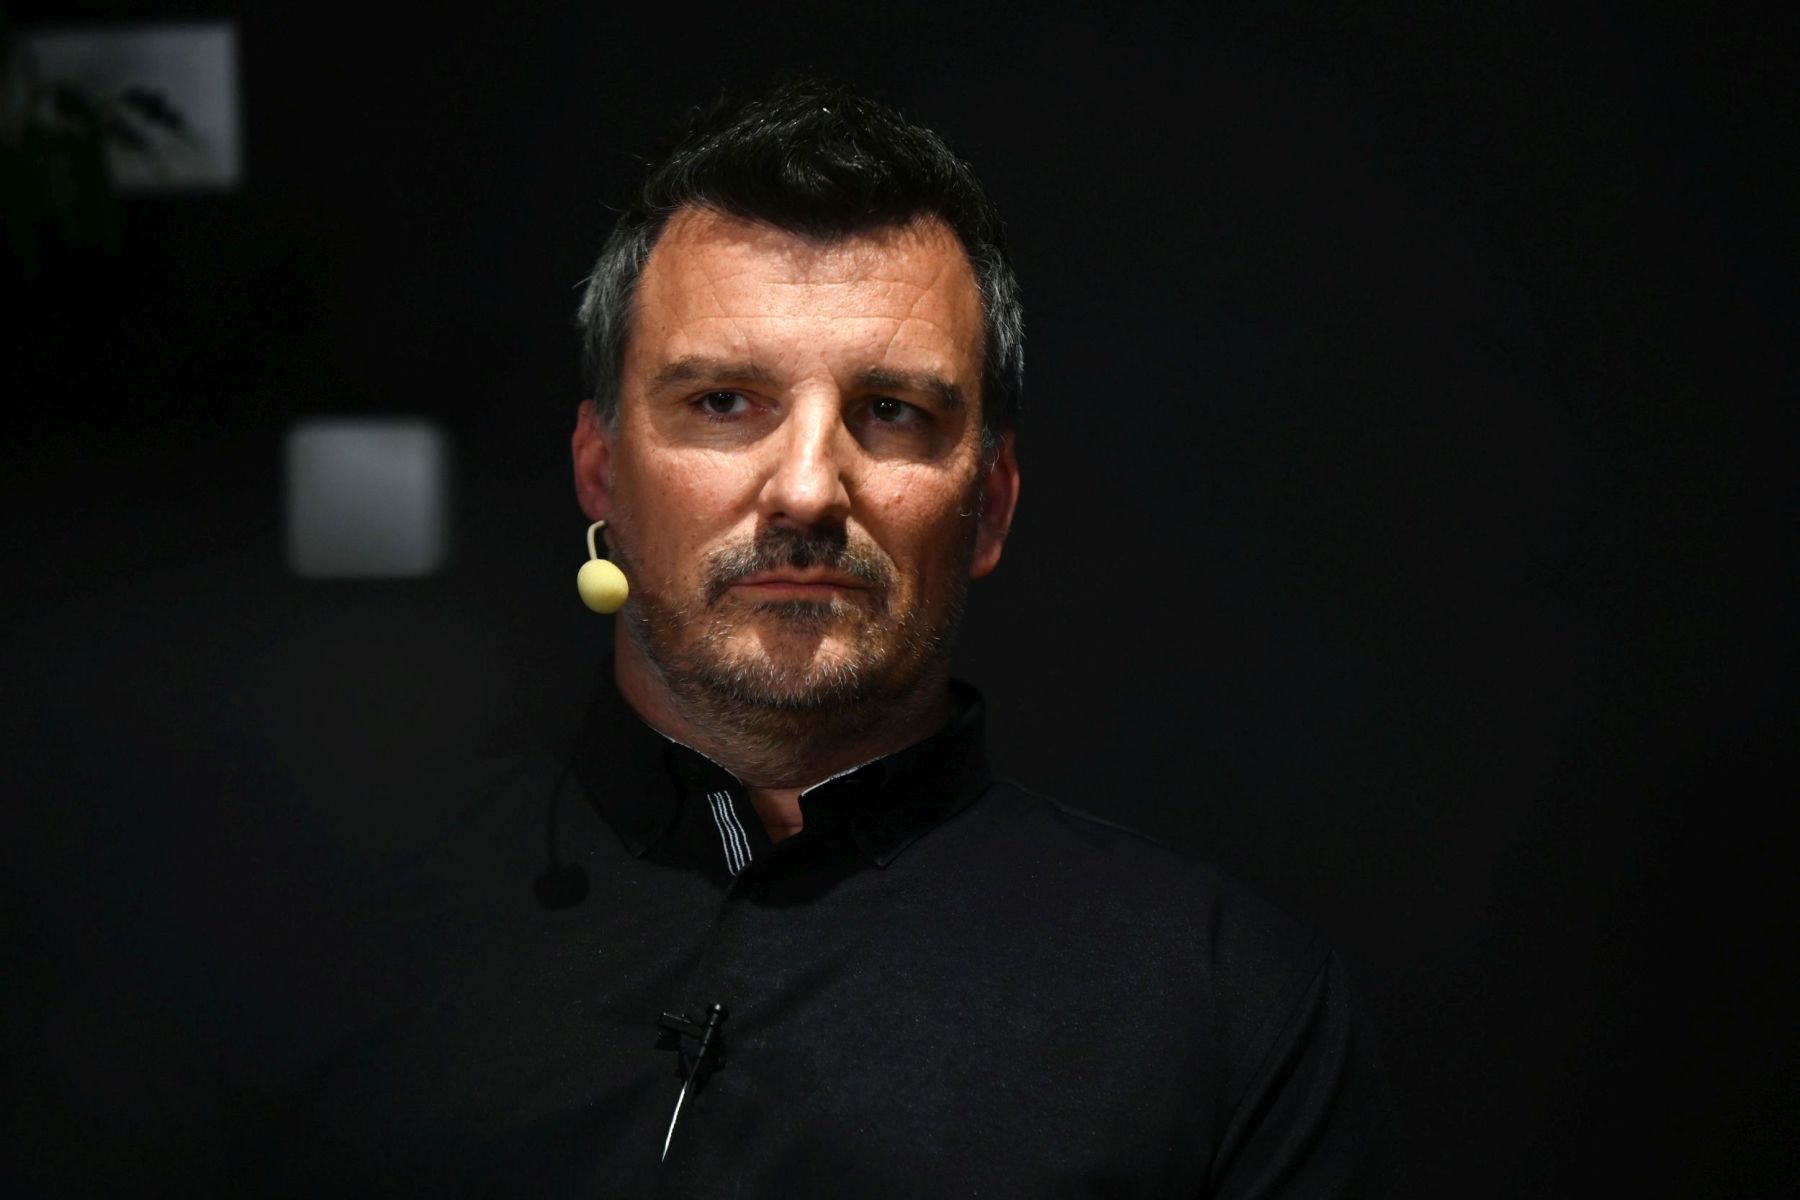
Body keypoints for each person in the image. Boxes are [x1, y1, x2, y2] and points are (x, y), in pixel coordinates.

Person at [252, 79, 1398, 1196]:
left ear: (990, 504)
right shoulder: (324, 939)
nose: (806, 488)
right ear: (601, 470)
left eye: (891, 412)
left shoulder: (1219, 1006)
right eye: (723, 402)